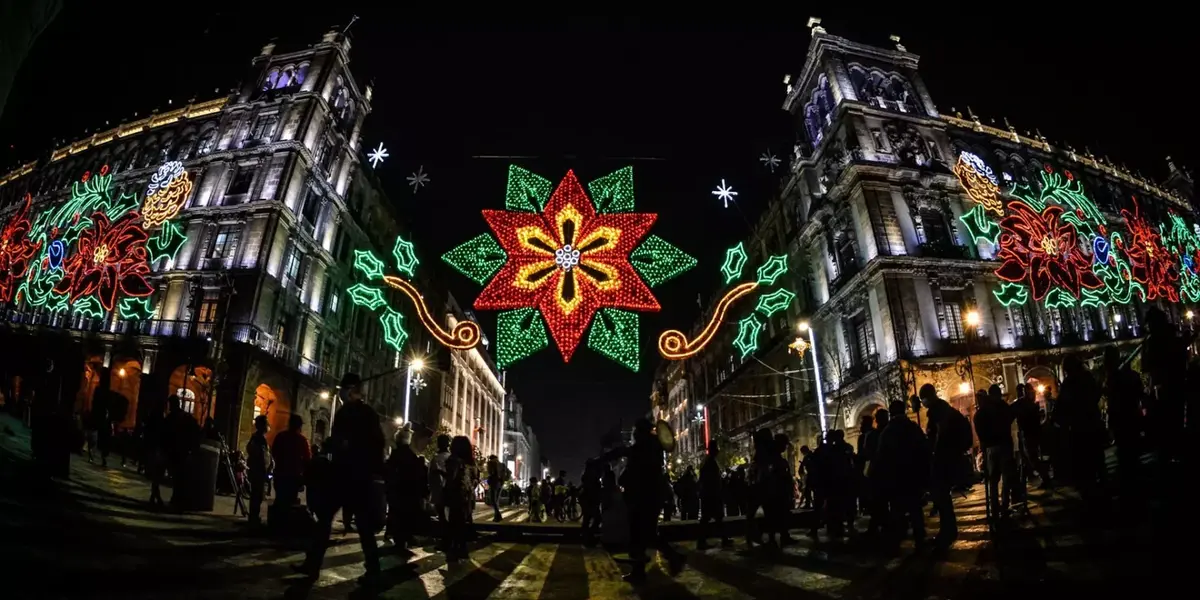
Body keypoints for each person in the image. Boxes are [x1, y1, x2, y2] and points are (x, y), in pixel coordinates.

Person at [296, 373, 386, 586]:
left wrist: (339, 447)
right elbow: (377, 444)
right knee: (357, 525)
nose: (342, 394)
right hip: (354, 476)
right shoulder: (368, 414)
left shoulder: (350, 413)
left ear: (351, 390)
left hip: (347, 475)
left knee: (330, 521)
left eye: (344, 390)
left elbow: (344, 443)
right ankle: (371, 569)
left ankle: (314, 564)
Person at [603, 418, 683, 584]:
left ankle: (670, 558)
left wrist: (602, 460)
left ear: (640, 432)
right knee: (644, 535)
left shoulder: (643, 448)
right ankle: (643, 569)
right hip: (650, 497)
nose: (633, 434)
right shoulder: (652, 447)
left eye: (635, 431)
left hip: (643, 498)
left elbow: (627, 459)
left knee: (641, 535)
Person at [873, 400, 930, 552]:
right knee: (915, 509)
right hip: (912, 475)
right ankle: (919, 539)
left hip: (895, 477)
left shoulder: (888, 432)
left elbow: (881, 456)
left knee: (897, 510)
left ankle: (895, 543)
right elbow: (923, 450)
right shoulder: (912, 428)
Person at [919, 383, 971, 549]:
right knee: (943, 497)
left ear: (927, 397)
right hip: (948, 457)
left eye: (922, 399)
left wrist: (936, 454)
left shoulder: (937, 410)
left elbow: (940, 434)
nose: (922, 403)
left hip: (943, 459)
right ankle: (949, 529)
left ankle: (947, 531)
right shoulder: (944, 408)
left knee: (941, 497)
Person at [1103, 346, 1144, 507]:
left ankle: (1131, 492)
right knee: (1129, 455)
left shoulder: (1117, 377)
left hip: (1125, 419)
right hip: (1128, 419)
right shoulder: (1122, 376)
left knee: (1128, 456)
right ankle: (1133, 489)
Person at [974, 385, 1015, 522]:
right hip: (1002, 445)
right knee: (1002, 478)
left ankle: (997, 508)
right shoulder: (1002, 407)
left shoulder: (985, 409)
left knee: (994, 479)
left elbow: (978, 423)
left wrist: (984, 442)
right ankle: (1003, 505)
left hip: (993, 447)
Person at [385, 423, 426, 549]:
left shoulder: (395, 454)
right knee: (405, 515)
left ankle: (395, 536)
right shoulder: (410, 455)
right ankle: (403, 538)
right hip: (407, 491)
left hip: (396, 490)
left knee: (395, 513)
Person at [271, 414, 311, 520]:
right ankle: (286, 524)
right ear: (299, 426)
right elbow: (307, 459)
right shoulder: (302, 440)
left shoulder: (280, 436)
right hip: (294, 476)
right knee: (291, 502)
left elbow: (274, 452)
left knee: (280, 499)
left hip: (280, 474)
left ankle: (277, 523)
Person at [443, 436, 476, 560]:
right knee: (461, 522)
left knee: (453, 522)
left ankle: (453, 550)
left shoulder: (453, 460)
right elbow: (473, 480)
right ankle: (461, 548)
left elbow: (451, 478)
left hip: (455, 494)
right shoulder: (469, 463)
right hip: (466, 496)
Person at [1011, 383, 1050, 488]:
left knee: (1032, 458)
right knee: (1029, 458)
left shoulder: (1022, 404)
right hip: (1031, 433)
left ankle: (1045, 477)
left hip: (1028, 434)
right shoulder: (1028, 404)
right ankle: (1032, 479)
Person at [697, 440, 731, 549]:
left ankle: (723, 539)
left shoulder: (708, 461)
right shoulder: (710, 462)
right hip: (711, 495)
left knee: (715, 518)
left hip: (710, 494)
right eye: (716, 449)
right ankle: (702, 541)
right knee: (709, 518)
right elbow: (711, 480)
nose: (718, 451)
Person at [863, 408, 889, 535]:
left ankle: (880, 527)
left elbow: (867, 453)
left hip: (878, 472)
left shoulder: (873, 435)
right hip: (889, 471)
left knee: (878, 501)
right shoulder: (890, 432)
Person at [246, 415, 272, 526]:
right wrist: (266, 469)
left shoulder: (257, 438)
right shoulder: (259, 439)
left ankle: (254, 517)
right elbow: (262, 456)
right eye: (266, 423)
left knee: (257, 495)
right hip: (259, 471)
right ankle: (254, 518)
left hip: (258, 470)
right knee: (257, 495)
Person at [428, 434, 451, 529]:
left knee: (443, 515)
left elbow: (431, 476)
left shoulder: (437, 458)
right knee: (445, 516)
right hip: (446, 491)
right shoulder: (449, 457)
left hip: (440, 491)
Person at [580, 459, 603, 544]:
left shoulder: (587, 475)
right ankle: (588, 535)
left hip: (589, 500)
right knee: (596, 518)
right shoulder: (591, 476)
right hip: (591, 500)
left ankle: (587, 536)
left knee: (587, 519)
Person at [486, 455, 504, 522]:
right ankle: (496, 517)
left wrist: (490, 477)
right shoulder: (502, 464)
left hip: (494, 482)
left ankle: (498, 515)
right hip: (500, 484)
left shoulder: (491, 463)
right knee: (496, 500)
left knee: (493, 500)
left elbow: (491, 472)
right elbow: (508, 472)